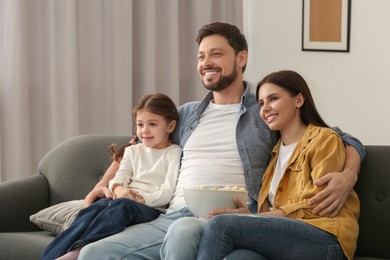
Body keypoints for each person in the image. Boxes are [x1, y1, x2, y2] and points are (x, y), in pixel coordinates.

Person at [78, 22, 365, 259]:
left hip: (233, 218)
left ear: (241, 58)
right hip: (172, 213)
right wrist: (104, 184)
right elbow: (137, 145)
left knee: (187, 231)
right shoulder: (186, 113)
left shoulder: (263, 111)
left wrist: (349, 174)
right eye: (201, 56)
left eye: (216, 54)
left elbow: (336, 136)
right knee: (93, 253)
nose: (206, 63)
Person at [195, 70, 359, 260]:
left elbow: (317, 204)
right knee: (240, 257)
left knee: (220, 225)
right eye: (261, 103)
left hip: (326, 238)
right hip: (289, 238)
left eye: (273, 99)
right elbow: (275, 212)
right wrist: (252, 214)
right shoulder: (274, 156)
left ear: (298, 100)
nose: (265, 109)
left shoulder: (323, 139)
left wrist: (254, 219)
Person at [40, 93, 181, 260]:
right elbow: (119, 178)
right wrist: (119, 188)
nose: (144, 131)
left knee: (122, 206)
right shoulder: (132, 151)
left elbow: (167, 192)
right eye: (140, 124)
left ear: (170, 126)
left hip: (150, 208)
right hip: (122, 199)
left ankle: (79, 250)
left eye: (152, 124)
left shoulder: (173, 153)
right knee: (95, 208)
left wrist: (141, 199)